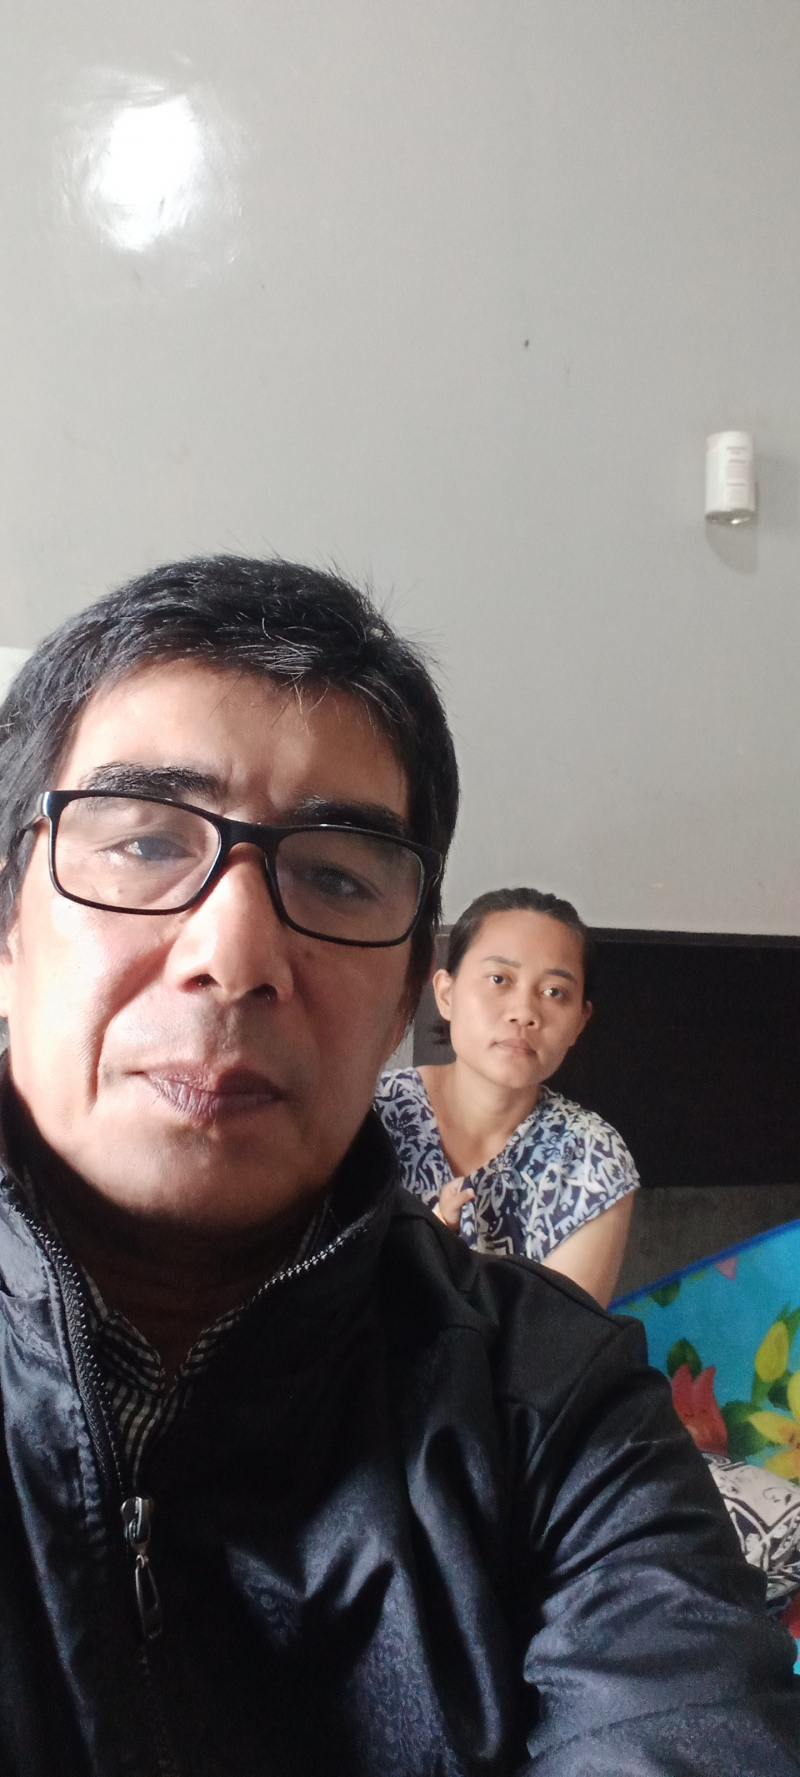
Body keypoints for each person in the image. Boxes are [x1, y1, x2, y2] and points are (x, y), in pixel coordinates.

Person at [0, 555, 795, 1777]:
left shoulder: (558, 1404)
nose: (233, 953)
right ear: (9, 927)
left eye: (332, 875)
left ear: (396, 997)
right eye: (147, 840)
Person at [375, 888, 637, 1305]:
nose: (525, 1013)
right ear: (446, 994)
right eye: (499, 980)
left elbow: (558, 1336)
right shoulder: (371, 1115)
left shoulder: (591, 1157)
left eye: (554, 992)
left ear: (579, 1023)